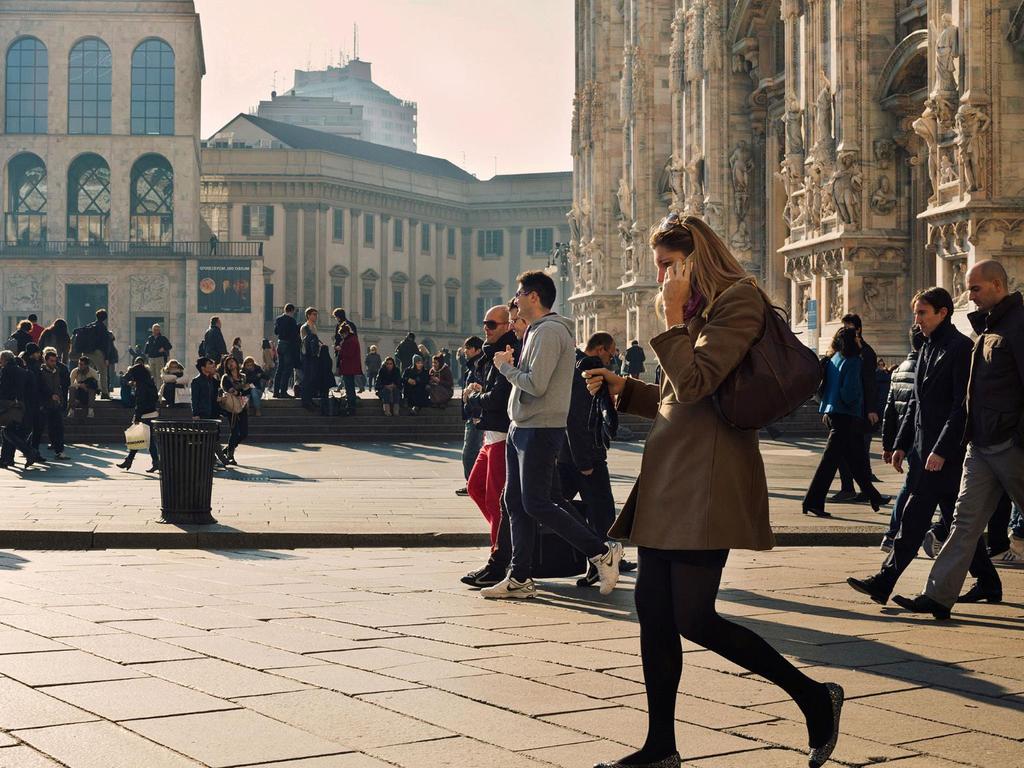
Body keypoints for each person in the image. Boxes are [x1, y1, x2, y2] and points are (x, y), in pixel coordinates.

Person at [584, 213, 842, 768]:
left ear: (693, 259)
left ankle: (813, 696)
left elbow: (698, 382)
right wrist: (625, 389)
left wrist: (673, 320)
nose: (659, 277)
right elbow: (682, 395)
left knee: (694, 617)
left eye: (666, 265)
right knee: (653, 614)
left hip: (706, 479)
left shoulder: (738, 303)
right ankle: (660, 748)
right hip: (670, 475)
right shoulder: (703, 312)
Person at [847, 287, 999, 607]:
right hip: (923, 452)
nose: (916, 320)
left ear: (943, 312)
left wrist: (942, 449)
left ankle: (884, 581)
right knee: (959, 527)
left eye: (922, 313)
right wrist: (901, 444)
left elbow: (962, 406)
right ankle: (988, 582)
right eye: (916, 313)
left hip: (945, 455)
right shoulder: (926, 347)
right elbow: (917, 403)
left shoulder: (960, 348)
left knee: (914, 520)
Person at [482, 270, 623, 600]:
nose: (514, 301)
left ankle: (601, 551)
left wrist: (504, 365)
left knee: (537, 502)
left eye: (518, 295)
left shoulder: (549, 333)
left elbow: (536, 384)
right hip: (522, 427)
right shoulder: (535, 332)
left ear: (533, 297)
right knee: (515, 503)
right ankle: (519, 577)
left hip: (540, 429)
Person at [894, 260, 1024, 619]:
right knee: (964, 522)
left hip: (1010, 444)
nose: (970, 295)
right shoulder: (986, 327)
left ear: (998, 285)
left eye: (976, 288)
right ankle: (937, 596)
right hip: (981, 444)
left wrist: (1016, 436)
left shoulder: (1017, 325)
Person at [559, 332, 631, 587]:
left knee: (561, 504)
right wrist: (584, 462)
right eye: (610, 354)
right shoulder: (585, 370)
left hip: (570, 454)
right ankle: (602, 560)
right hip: (583, 455)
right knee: (601, 511)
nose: (611, 360)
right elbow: (575, 419)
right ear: (600, 349)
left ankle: (607, 558)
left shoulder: (576, 363)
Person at [803, 328, 885, 517]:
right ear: (851, 340)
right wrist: (858, 401)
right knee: (829, 463)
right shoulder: (854, 361)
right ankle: (812, 501)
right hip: (846, 414)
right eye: (856, 337)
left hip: (832, 412)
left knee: (854, 458)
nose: (859, 340)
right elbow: (849, 392)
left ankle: (873, 495)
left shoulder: (835, 358)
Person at [461, 311, 519, 581]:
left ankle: (499, 556)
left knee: (498, 501)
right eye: (484, 323)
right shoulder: (490, 352)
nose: (485, 328)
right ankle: (505, 541)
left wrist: (474, 396)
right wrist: (478, 389)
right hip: (489, 431)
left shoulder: (508, 349)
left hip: (501, 432)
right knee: (475, 487)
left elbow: (499, 396)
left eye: (491, 324)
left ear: (507, 325)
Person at [878, 327, 925, 552]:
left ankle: (894, 534)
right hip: (920, 437)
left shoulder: (898, 371)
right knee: (914, 487)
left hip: (903, 439)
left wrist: (889, 445)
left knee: (913, 487)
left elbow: (889, 411)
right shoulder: (924, 368)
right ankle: (894, 534)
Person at [833, 313, 881, 502]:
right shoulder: (845, 353)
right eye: (844, 327)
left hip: (859, 410)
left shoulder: (865, 352)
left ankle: (855, 489)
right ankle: (857, 489)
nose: (845, 331)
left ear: (859, 330)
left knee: (855, 452)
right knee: (850, 452)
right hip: (849, 408)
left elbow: (869, 383)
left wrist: (871, 409)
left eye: (849, 328)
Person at [116, 358, 160, 473]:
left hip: (145, 415)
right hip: (152, 412)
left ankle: (155, 462)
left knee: (146, 440)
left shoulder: (141, 385)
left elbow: (140, 403)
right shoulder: (150, 382)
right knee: (139, 438)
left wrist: (137, 417)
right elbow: (155, 398)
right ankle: (129, 460)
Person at [0, 350, 40, 469]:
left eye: (1, 360)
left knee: (7, 432)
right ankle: (6, 460)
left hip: (12, 405)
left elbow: (4, 388)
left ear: (4, 359)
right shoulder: (25, 372)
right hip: (24, 406)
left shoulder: (6, 370)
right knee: (9, 431)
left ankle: (29, 452)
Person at [456, 336, 485, 497]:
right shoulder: (473, 364)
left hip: (475, 415)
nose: (465, 351)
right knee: (472, 451)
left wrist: (475, 412)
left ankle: (472, 485)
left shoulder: (478, 365)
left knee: (470, 452)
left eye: (468, 348)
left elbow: (479, 389)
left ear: (477, 349)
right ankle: (473, 484)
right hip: (472, 413)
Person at [190, 356, 229, 468]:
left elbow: (215, 397)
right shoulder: (196, 381)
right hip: (203, 413)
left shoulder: (214, 381)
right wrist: (195, 414)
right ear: (203, 367)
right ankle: (220, 459)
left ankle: (216, 459)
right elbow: (194, 399)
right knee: (210, 437)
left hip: (214, 412)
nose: (213, 365)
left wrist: (220, 399)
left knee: (214, 436)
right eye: (210, 364)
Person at [38, 348, 69, 460]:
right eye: (51, 361)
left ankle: (59, 451)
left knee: (58, 428)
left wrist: (60, 397)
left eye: (55, 361)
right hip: (44, 404)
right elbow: (41, 387)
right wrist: (50, 395)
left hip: (55, 404)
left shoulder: (57, 371)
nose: (53, 363)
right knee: (39, 429)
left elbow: (60, 386)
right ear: (46, 360)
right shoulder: (41, 371)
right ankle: (31, 450)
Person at [220, 356, 251, 465]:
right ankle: (230, 455)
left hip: (242, 406)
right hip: (231, 407)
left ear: (237, 363)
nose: (231, 364)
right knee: (234, 431)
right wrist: (241, 391)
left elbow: (248, 390)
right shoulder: (226, 377)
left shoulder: (243, 377)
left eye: (232, 362)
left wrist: (241, 392)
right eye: (228, 363)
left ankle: (228, 448)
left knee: (244, 433)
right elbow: (231, 390)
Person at [78, 309, 112, 399]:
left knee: (86, 372)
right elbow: (105, 344)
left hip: (87, 352)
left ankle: (84, 392)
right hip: (98, 353)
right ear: (105, 318)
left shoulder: (89, 326)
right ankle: (104, 393)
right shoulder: (103, 328)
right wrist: (107, 357)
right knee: (103, 373)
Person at [299, 307, 325, 412]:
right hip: (307, 356)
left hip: (313, 355)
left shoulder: (313, 326)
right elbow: (306, 342)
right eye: (314, 314)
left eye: (316, 314)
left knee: (312, 378)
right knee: (307, 379)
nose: (315, 316)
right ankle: (306, 401)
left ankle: (309, 399)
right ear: (308, 315)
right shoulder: (305, 327)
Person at [273, 304, 300, 398]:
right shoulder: (292, 320)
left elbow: (276, 331)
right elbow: (294, 334)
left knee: (279, 369)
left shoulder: (278, 319)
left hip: (280, 344)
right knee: (287, 369)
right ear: (291, 311)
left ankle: (275, 391)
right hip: (288, 345)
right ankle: (283, 391)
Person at [335, 323, 362, 416]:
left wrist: (340, 349)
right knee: (349, 387)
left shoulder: (350, 341)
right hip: (350, 367)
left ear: (345, 333)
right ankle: (350, 406)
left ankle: (351, 407)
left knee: (349, 388)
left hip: (349, 367)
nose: (342, 336)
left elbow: (349, 353)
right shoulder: (353, 339)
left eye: (342, 334)